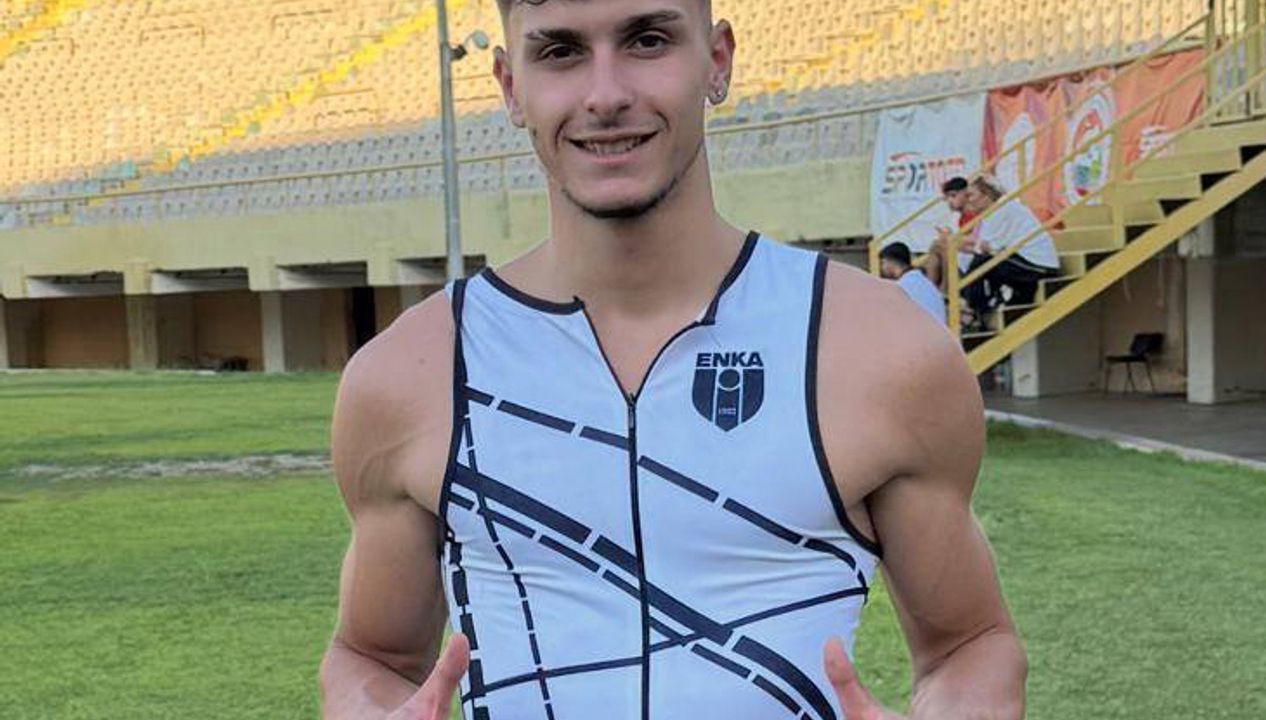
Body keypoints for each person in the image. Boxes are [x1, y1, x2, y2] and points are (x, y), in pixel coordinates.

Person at [319, 2, 1027, 719]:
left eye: (647, 40)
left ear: (717, 61)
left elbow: (969, 644)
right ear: (510, 86)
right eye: (560, 52)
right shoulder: (409, 376)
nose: (605, 95)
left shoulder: (881, 348)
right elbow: (371, 658)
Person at [958, 177, 1060, 326]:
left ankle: (972, 309)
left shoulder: (1003, 209)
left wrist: (963, 244)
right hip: (1024, 262)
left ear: (986, 195)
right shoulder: (992, 212)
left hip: (1038, 267)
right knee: (976, 261)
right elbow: (985, 245)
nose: (967, 200)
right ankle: (978, 306)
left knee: (982, 262)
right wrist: (965, 246)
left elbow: (988, 248)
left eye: (970, 195)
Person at [879, 241, 946, 326]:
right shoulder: (925, 283)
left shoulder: (901, 287)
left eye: (883, 263)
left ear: (890, 263)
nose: (881, 268)